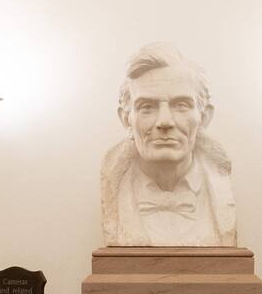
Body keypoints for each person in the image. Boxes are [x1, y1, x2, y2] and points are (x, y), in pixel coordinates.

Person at [100, 42, 236, 247]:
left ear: (204, 116)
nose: (165, 122)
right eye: (147, 107)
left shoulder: (218, 189)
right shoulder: (116, 185)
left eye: (181, 105)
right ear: (126, 119)